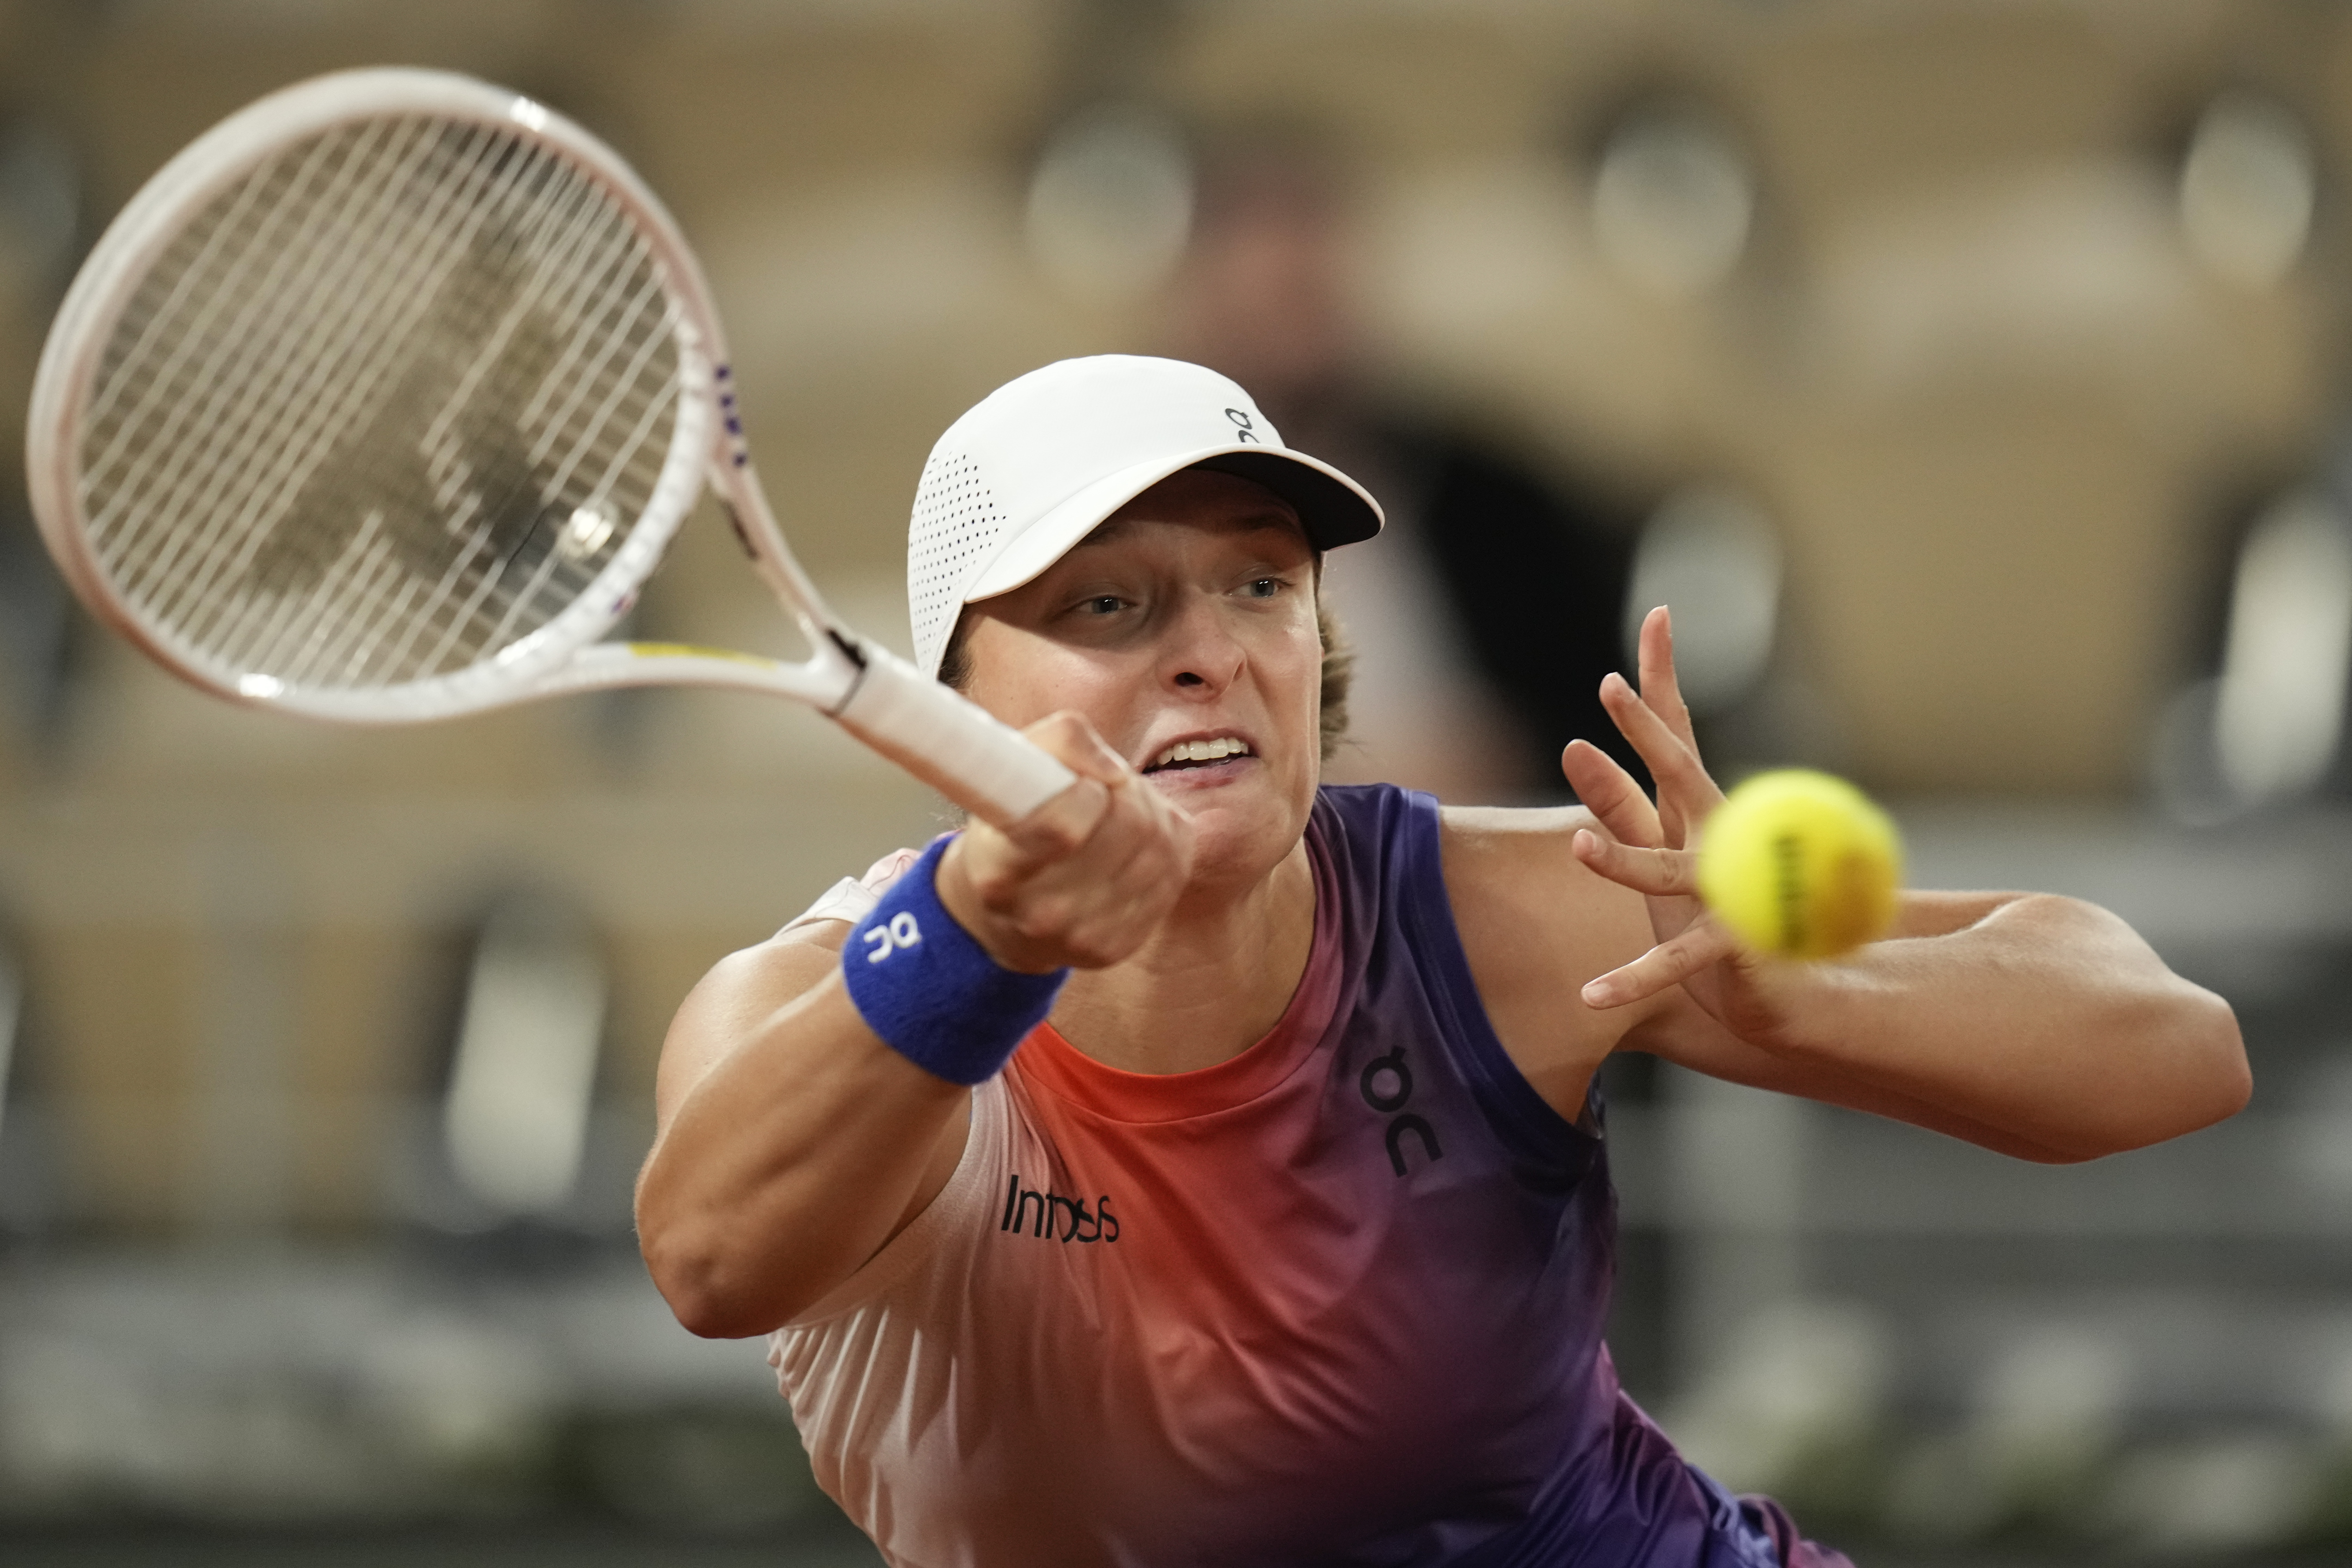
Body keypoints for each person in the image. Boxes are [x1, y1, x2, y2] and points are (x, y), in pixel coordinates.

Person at [635, 356, 2248, 1567]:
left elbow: (2174, 1044)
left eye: (1261, 582)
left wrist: (1825, 1000)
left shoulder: (1500, 908)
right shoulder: (822, 1008)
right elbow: (713, 1259)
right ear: (957, 714)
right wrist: (980, 944)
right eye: (1110, 603)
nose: (1211, 647)